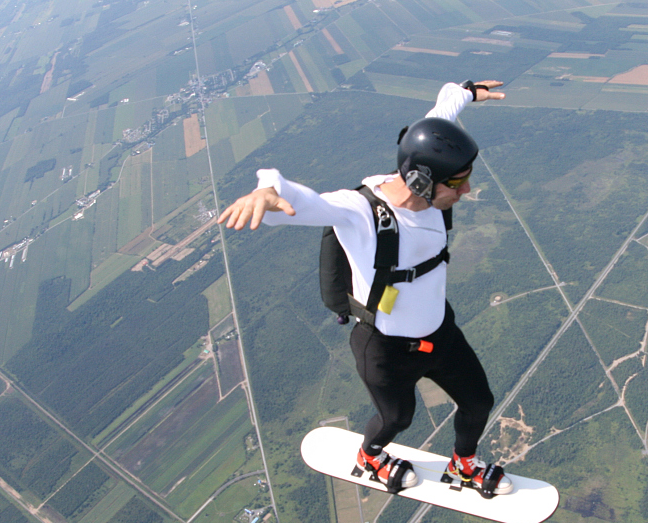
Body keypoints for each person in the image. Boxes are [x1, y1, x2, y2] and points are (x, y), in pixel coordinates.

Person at [218, 79, 509, 495]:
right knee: (396, 420)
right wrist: (268, 190)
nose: (466, 191)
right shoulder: (361, 212)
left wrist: (466, 91)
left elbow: (441, 112)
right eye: (457, 183)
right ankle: (370, 456)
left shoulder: (425, 174)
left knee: (478, 401)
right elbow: (306, 202)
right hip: (387, 349)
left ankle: (464, 465)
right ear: (424, 181)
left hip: (440, 333)